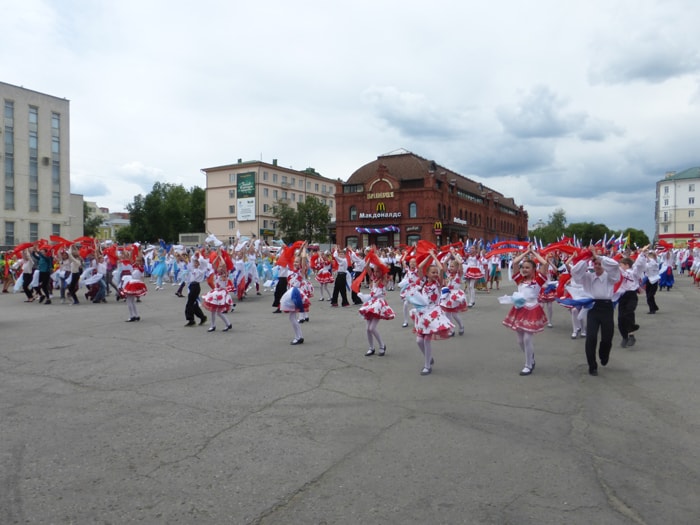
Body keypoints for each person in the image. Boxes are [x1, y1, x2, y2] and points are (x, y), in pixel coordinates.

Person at [571, 247, 621, 376]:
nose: (597, 266)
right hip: (593, 307)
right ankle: (592, 365)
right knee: (591, 337)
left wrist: (600, 257)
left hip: (606, 307)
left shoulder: (611, 277)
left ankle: (604, 355)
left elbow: (615, 265)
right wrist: (587, 257)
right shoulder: (588, 276)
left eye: (600, 264)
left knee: (607, 337)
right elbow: (575, 272)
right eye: (595, 264)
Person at [502, 245, 549, 376]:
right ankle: (531, 357)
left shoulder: (538, 280)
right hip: (520, 309)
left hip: (532, 309)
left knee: (528, 339)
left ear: (534, 269)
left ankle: (528, 365)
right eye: (523, 267)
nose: (524, 269)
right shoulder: (519, 280)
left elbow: (544, 263)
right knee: (520, 341)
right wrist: (526, 252)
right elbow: (516, 262)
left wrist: (533, 252)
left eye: (528, 268)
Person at [408, 249, 454, 376]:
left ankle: (427, 366)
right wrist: (428, 256)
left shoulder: (438, 283)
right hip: (422, 313)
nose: (435, 274)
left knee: (427, 340)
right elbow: (420, 267)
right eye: (432, 272)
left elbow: (442, 269)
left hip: (433, 313)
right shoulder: (422, 282)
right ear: (427, 274)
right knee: (419, 341)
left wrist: (434, 255)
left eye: (436, 273)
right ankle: (429, 358)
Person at [356, 254, 395, 356]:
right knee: (367, 328)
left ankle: (382, 345)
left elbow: (385, 270)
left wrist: (377, 259)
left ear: (382, 271)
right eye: (375, 271)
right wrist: (370, 258)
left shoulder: (383, 279)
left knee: (372, 328)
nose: (376, 273)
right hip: (371, 303)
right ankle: (371, 347)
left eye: (378, 271)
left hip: (379, 305)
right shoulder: (373, 278)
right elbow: (366, 267)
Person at [615, 249, 648, 348]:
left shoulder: (633, 273)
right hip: (622, 296)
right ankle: (625, 337)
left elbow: (639, 265)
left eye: (622, 264)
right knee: (621, 318)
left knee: (629, 313)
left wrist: (642, 254)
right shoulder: (619, 273)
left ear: (627, 265)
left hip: (631, 295)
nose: (620, 266)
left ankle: (631, 335)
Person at [201, 265, 233, 332]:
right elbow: (213, 264)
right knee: (213, 311)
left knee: (218, 312)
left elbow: (225, 272)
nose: (220, 268)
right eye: (219, 267)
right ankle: (213, 326)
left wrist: (220, 256)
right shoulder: (216, 274)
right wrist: (218, 256)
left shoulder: (224, 275)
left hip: (221, 293)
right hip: (216, 293)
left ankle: (228, 324)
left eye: (221, 267)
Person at [184, 256, 208, 327]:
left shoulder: (201, 270)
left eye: (197, 262)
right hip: (192, 286)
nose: (195, 263)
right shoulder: (193, 268)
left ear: (200, 264)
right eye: (195, 262)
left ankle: (191, 320)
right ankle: (202, 317)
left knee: (189, 304)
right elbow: (188, 261)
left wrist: (200, 257)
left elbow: (204, 263)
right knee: (193, 304)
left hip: (196, 286)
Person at [122, 255, 147, 321]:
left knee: (129, 301)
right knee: (131, 301)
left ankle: (132, 316)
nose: (136, 261)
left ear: (141, 262)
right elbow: (132, 266)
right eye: (136, 260)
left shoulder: (140, 267)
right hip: (133, 282)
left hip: (133, 283)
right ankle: (136, 315)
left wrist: (137, 263)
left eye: (138, 260)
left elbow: (139, 271)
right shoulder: (137, 267)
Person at [643, 249, 660, 314]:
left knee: (650, 296)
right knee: (649, 295)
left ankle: (652, 309)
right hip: (649, 280)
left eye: (649, 256)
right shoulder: (648, 263)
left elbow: (651, 262)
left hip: (653, 281)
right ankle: (654, 307)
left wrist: (646, 255)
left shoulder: (654, 262)